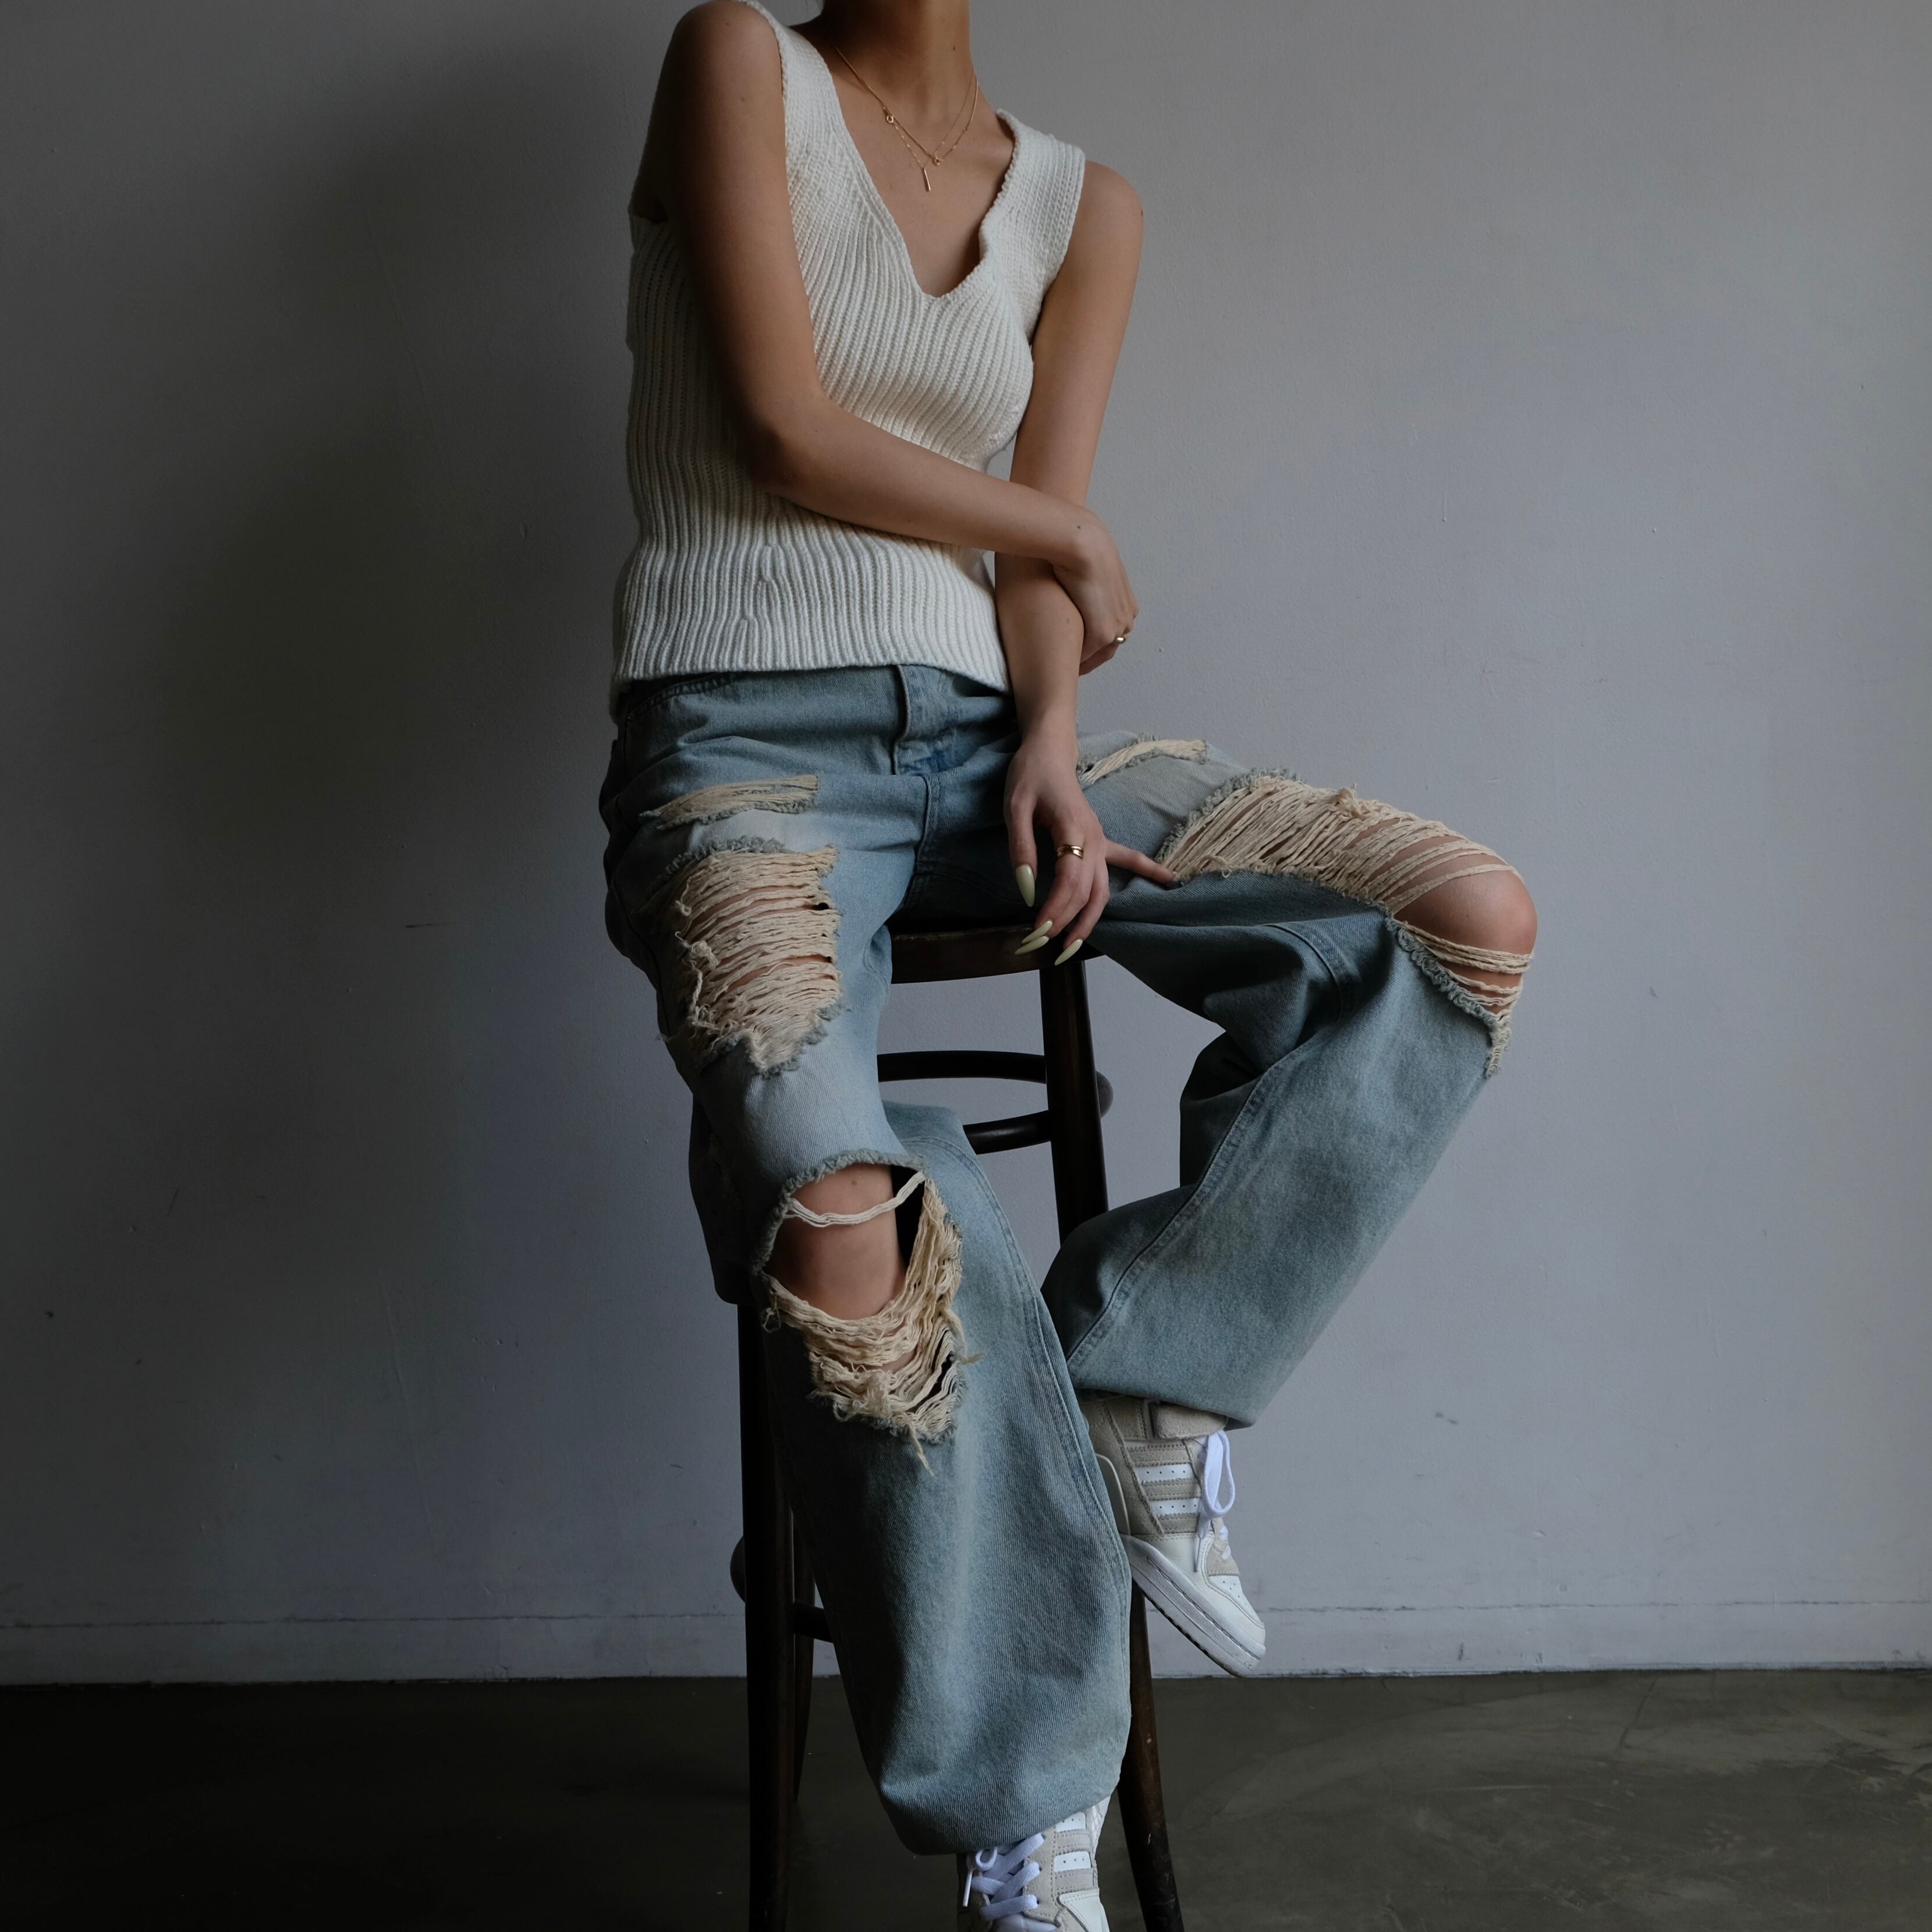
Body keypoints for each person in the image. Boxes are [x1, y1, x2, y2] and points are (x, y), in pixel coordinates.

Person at [598, 3, 1537, 1923]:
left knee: (1454, 921)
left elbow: (1040, 572)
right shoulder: (735, 61)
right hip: (744, 751)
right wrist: (1063, 529)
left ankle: (1142, 1383)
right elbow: (780, 427)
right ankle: (1026, 1816)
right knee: (847, 1216)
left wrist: (1047, 726)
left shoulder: (1082, 204)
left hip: (984, 743)